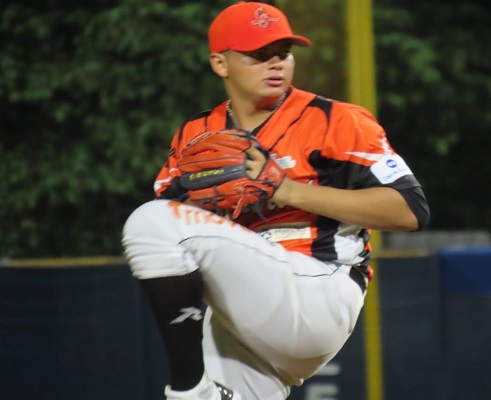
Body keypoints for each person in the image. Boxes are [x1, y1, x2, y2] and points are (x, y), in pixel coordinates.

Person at [122, 2, 430, 400]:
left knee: (150, 223)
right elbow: (175, 235)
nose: (276, 64)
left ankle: (188, 389)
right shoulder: (197, 134)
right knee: (160, 222)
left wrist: (287, 190)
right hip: (242, 311)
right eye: (258, 55)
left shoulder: (335, 120)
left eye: (283, 53)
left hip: (319, 289)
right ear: (221, 63)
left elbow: (409, 210)